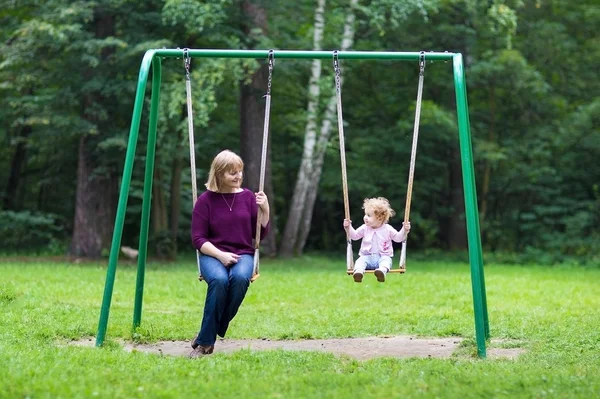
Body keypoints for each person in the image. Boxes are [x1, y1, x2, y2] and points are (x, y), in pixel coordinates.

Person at [189, 149, 270, 358]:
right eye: (232, 173)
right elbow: (198, 239)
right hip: (212, 254)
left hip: (242, 253)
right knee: (218, 280)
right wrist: (220, 255)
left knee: (241, 277)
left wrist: (265, 211)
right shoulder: (205, 201)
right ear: (218, 174)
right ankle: (205, 344)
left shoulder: (248, 198)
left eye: (240, 171)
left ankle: (207, 333)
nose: (238, 176)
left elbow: (257, 234)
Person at [343, 197, 410, 283]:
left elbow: (398, 238)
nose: (365, 217)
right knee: (360, 262)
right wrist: (348, 227)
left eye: (369, 215)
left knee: (386, 261)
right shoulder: (365, 228)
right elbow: (354, 236)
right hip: (366, 257)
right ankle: (358, 272)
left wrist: (404, 230)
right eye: (365, 214)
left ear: (380, 218)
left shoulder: (388, 229)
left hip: (383, 257)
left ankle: (381, 271)